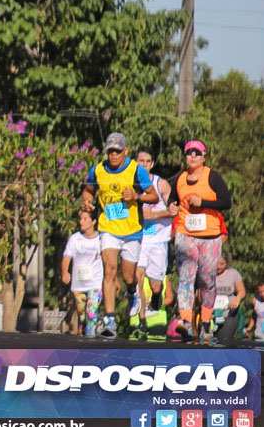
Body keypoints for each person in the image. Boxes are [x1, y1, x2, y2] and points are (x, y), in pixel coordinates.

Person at [80, 132, 157, 338]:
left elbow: (153, 195)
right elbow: (88, 190)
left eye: (117, 151)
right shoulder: (97, 170)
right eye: (110, 151)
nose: (113, 155)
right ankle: (111, 319)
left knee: (128, 276)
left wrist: (136, 196)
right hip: (108, 227)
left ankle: (132, 292)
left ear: (126, 151)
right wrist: (87, 201)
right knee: (109, 270)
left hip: (132, 230)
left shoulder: (135, 170)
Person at [166, 140, 232, 344]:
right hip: (186, 234)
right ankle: (185, 320)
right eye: (188, 153)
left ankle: (205, 323)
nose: (192, 156)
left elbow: (226, 202)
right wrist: (172, 208)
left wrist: (203, 202)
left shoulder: (212, 176)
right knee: (185, 275)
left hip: (210, 237)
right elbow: (173, 200)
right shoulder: (180, 178)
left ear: (204, 156)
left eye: (197, 153)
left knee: (207, 280)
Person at [135, 147, 172, 332]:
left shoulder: (161, 184)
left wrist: (154, 215)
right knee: (137, 278)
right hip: (139, 239)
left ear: (152, 164)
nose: (144, 164)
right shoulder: (132, 185)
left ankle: (157, 297)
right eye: (141, 161)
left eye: (147, 161)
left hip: (158, 240)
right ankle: (141, 320)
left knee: (156, 285)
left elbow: (175, 211)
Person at [61, 208, 104, 337]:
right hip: (79, 284)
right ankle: (83, 337)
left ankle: (90, 342)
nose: (81, 222)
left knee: (91, 313)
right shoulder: (75, 239)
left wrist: (114, 280)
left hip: (95, 283)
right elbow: (66, 257)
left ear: (94, 221)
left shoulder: (101, 239)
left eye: (85, 219)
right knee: (83, 317)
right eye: (80, 219)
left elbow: (109, 261)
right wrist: (65, 272)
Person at [212, 255, 246, 344]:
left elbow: (242, 291)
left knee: (224, 339)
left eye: (222, 264)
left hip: (229, 313)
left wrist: (237, 299)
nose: (218, 266)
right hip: (211, 314)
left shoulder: (233, 273)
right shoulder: (208, 273)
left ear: (227, 264)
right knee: (209, 342)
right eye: (216, 263)